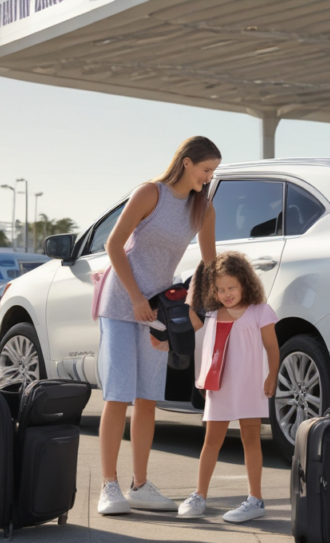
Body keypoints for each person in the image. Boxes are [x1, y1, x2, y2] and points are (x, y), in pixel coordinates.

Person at [96, 137, 221, 515]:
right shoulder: (150, 193)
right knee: (119, 394)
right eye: (205, 169)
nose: (209, 177)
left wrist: (197, 312)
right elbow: (114, 245)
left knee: (148, 397)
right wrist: (135, 297)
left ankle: (140, 485)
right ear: (185, 163)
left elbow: (209, 266)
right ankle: (109, 486)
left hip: (161, 311)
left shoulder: (203, 210)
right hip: (122, 302)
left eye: (213, 171)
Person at [178, 251, 280, 523]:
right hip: (219, 386)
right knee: (212, 440)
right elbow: (189, 315)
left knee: (250, 438)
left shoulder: (261, 311)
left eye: (231, 287)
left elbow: (272, 347)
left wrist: (272, 376)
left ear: (245, 283)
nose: (226, 294)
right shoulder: (211, 313)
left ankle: (255, 500)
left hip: (249, 384)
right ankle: (199, 495)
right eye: (220, 289)